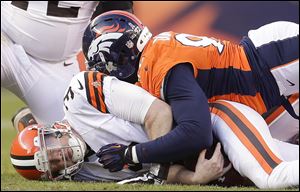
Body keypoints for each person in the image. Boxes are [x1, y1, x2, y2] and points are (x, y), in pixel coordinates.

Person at [81, 11, 299, 170]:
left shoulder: (156, 65)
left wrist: (131, 154)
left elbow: (196, 133)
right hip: (268, 89)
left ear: (115, 57)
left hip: (268, 62)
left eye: (105, 67)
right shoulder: (154, 54)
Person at [10, 70, 299, 188]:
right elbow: (155, 173)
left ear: (52, 129)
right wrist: (194, 178)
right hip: (209, 157)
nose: (61, 156)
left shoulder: (81, 99)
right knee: (289, 162)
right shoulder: (86, 173)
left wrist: (138, 156)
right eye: (54, 164)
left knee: (272, 177)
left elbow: (158, 114)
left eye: (52, 149)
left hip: (214, 121)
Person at [1, 1, 133, 127]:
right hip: (6, 41)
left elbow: (117, 17)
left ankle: (30, 125)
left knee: (72, 142)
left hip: (57, 67)